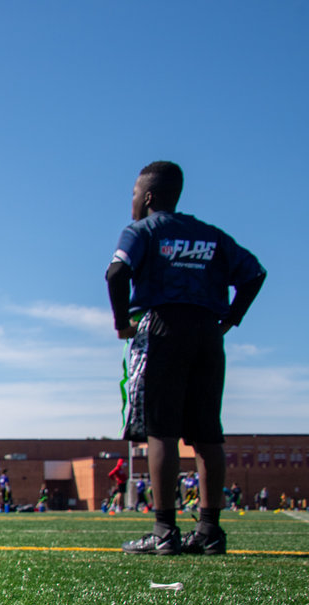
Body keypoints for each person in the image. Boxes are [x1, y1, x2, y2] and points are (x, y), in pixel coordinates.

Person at [109, 161, 265, 555]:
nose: (131, 201)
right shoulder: (210, 235)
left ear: (146, 197)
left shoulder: (142, 231)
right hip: (208, 333)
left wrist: (122, 323)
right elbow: (254, 273)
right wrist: (231, 318)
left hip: (163, 327)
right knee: (207, 432)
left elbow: (115, 272)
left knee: (162, 430)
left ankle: (164, 531)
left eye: (132, 194)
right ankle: (210, 531)